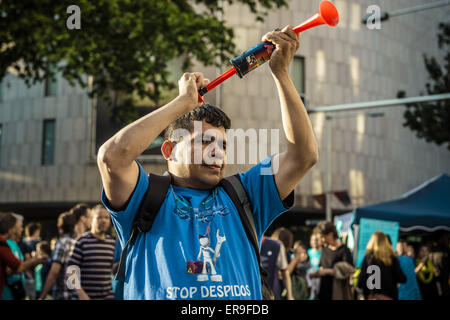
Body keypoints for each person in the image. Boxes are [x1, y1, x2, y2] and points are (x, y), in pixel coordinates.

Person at [97, 25, 318, 300]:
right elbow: (111, 158)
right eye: (204, 142)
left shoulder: (245, 193)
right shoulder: (142, 194)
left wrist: (282, 73)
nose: (218, 153)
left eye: (222, 145)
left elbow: (303, 156)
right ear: (169, 149)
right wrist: (182, 103)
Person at [67, 205, 116, 300]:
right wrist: (81, 294)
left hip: (107, 296)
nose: (103, 220)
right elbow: (70, 271)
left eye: (106, 217)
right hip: (85, 297)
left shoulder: (112, 243)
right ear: (91, 220)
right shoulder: (82, 241)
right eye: (99, 217)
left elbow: (110, 271)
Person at [0, 212, 47, 299]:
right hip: (7, 293)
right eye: (20, 226)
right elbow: (11, 269)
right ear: (12, 229)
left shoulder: (12, 243)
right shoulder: (7, 244)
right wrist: (35, 261)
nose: (22, 229)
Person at [309, 221, 354, 300]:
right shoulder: (324, 249)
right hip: (324, 291)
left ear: (330, 234)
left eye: (323, 237)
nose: (322, 240)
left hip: (338, 292)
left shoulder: (344, 250)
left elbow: (349, 269)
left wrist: (328, 271)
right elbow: (322, 267)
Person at [39, 212, 77, 300]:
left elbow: (54, 271)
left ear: (59, 226)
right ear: (74, 226)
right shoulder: (77, 242)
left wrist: (42, 296)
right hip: (74, 294)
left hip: (62, 294)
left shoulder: (62, 243)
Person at [358, 231, 406, 300]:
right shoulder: (392, 258)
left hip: (372, 296)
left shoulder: (368, 257)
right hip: (389, 296)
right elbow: (402, 278)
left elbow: (361, 280)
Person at [260, 235, 293, 300]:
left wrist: (290, 296)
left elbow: (285, 274)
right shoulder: (243, 244)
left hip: (272, 294)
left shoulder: (276, 245)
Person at [307, 229, 322, 299]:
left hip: (321, 281)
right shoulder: (307, 253)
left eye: (317, 240)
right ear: (310, 241)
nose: (315, 242)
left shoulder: (324, 253)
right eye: (313, 240)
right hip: (309, 281)